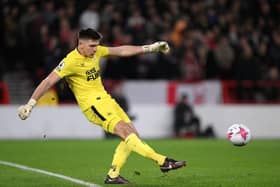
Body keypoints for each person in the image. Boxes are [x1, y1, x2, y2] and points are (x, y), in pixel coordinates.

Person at [18, 28, 186, 184]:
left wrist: (150, 48)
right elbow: (48, 81)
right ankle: (162, 161)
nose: (95, 49)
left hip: (107, 100)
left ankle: (113, 175)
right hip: (92, 105)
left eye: (97, 45)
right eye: (91, 46)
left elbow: (120, 50)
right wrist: (31, 103)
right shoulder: (70, 61)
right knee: (125, 133)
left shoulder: (96, 51)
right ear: (80, 44)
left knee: (133, 134)